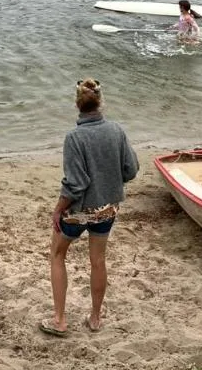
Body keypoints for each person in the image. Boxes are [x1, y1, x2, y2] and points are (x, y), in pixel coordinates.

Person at [40, 78, 139, 337]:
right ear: (100, 102)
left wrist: (58, 209)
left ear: (77, 104)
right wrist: (109, 181)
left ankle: (59, 320)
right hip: (107, 208)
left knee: (58, 255)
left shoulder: (74, 137)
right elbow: (131, 169)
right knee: (98, 261)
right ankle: (95, 318)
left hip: (80, 209)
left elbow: (75, 184)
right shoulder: (116, 131)